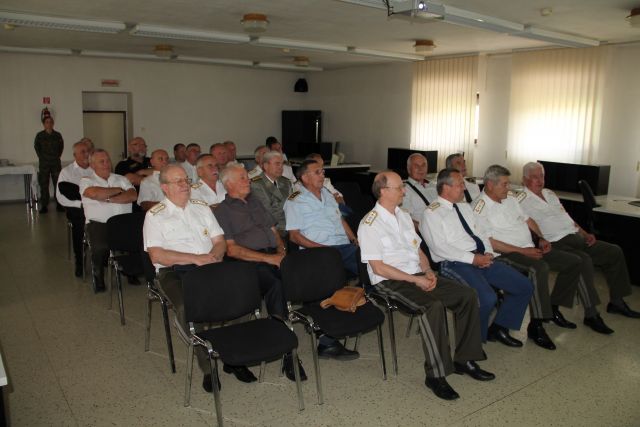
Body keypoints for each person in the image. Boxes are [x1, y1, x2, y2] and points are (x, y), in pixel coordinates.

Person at [359, 171, 493, 401]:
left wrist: (428, 271)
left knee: (467, 295)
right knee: (432, 306)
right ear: (383, 191)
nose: (404, 191)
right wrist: (416, 280)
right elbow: (379, 268)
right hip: (389, 281)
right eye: (399, 187)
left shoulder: (403, 216)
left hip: (417, 273)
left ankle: (465, 359)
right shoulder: (369, 223)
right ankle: (435, 376)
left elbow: (418, 250)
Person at [473, 165, 612, 348]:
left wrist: (540, 238)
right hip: (505, 254)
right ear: (490, 185)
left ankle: (553, 308)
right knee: (538, 268)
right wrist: (524, 251)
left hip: (529, 248)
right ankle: (536, 325)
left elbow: (528, 220)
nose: (508, 188)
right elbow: (491, 242)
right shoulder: (479, 207)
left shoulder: (510, 198)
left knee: (575, 262)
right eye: (505, 184)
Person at [213, 163, 308, 382]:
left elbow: (273, 230)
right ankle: (288, 352)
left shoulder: (255, 201)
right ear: (228, 184)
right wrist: (270, 259)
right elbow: (232, 250)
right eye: (242, 178)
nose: (248, 180)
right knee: (277, 285)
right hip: (247, 263)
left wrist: (281, 250)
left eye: (247, 177)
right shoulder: (223, 211)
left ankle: (323, 334)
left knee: (306, 273)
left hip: (273, 256)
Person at [420, 168, 533, 345]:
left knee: (523, 286)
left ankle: (499, 329)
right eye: (460, 184)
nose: (464, 188)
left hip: (479, 258)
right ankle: (472, 345)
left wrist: (487, 253)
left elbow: (480, 233)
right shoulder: (432, 213)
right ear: (446, 187)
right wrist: (473, 259)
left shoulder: (465, 207)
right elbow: (440, 248)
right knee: (486, 298)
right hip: (454, 263)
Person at [520, 161, 640, 323]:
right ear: (525, 180)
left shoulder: (549, 193)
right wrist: (540, 239)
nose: (540, 180)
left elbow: (567, 218)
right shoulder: (521, 200)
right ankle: (591, 314)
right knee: (583, 260)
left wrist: (585, 233)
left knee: (614, 251)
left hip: (575, 236)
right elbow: (525, 226)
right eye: (535, 177)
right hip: (555, 242)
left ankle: (617, 302)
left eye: (542, 176)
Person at [143, 164, 227, 393]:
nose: (184, 185)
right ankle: (207, 366)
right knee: (186, 307)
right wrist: (195, 258)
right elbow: (157, 255)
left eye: (186, 180)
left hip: (208, 264)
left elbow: (220, 241)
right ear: (164, 187)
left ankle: (231, 354)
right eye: (177, 181)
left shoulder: (201, 207)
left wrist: (214, 256)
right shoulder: (155, 215)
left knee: (241, 294)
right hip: (173, 272)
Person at [284, 160, 359, 276]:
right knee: (366, 264)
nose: (322, 175)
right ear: (305, 178)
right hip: (318, 250)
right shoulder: (295, 200)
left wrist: (354, 239)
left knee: (367, 255)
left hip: (344, 247)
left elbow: (340, 220)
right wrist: (323, 249)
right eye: (317, 172)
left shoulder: (328, 195)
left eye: (323, 172)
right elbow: (294, 236)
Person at [80, 149, 137, 292]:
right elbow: (94, 193)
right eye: (102, 161)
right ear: (92, 165)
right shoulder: (87, 181)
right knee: (100, 247)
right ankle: (98, 275)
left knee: (136, 241)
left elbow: (132, 196)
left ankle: (131, 271)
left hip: (123, 222)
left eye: (108, 160)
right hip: (99, 223)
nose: (107, 164)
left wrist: (107, 199)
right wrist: (119, 190)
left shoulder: (121, 179)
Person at [56, 140, 94, 277]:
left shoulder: (95, 169)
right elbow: (61, 197)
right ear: (75, 155)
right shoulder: (67, 172)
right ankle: (80, 261)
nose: (86, 154)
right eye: (82, 152)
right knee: (79, 223)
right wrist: (81, 204)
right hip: (77, 208)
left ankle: (103, 256)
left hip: (97, 205)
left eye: (88, 151)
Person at [250, 151, 292, 234]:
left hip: (291, 225)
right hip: (273, 229)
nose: (281, 167)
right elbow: (267, 214)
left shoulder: (286, 182)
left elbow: (293, 206)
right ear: (266, 166)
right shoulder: (256, 184)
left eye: (282, 164)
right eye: (277, 164)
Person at [34, 115, 64, 213]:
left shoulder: (57, 135)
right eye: (47, 122)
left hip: (55, 163)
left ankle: (59, 204)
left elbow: (61, 147)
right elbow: (37, 148)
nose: (49, 124)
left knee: (58, 184)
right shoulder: (40, 136)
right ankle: (44, 205)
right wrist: (43, 157)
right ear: (44, 124)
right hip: (44, 164)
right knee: (44, 184)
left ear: (53, 123)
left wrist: (56, 156)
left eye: (51, 122)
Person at [403, 153, 437, 227]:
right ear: (409, 169)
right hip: (424, 229)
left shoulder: (434, 186)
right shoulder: (404, 190)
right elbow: (405, 220)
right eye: (416, 166)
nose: (421, 169)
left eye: (423, 165)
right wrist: (424, 228)